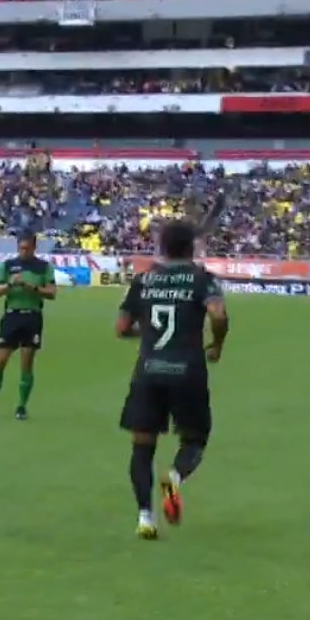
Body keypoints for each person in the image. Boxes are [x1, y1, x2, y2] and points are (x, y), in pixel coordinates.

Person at [114, 221, 228, 540]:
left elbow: (121, 328)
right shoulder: (201, 279)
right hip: (187, 370)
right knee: (194, 439)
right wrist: (217, 344)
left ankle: (145, 518)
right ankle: (175, 477)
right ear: (191, 247)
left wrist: (145, 332)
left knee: (141, 447)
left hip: (148, 371)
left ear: (162, 246)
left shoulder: (144, 279)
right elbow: (218, 315)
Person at [0, 231, 56, 420]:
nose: (23, 252)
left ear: (34, 248)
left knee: (26, 364)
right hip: (11, 316)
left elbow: (52, 293)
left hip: (32, 317)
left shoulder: (43, 267)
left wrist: (33, 288)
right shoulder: (8, 265)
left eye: (27, 248)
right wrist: (11, 285)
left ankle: (21, 407)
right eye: (21, 248)